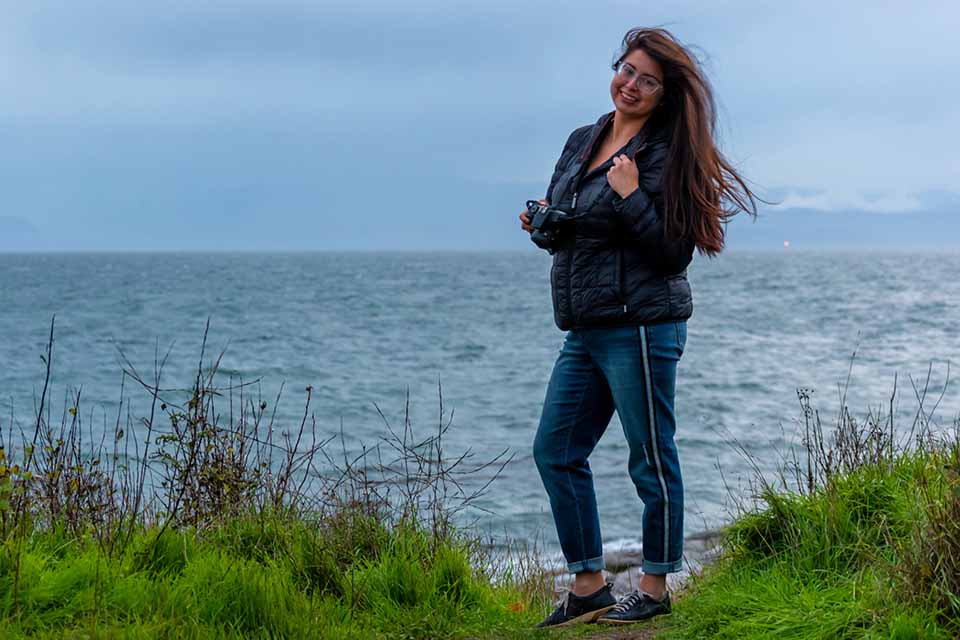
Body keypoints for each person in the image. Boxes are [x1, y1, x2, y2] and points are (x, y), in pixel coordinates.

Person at [520, 27, 758, 628]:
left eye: (646, 80)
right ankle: (589, 584)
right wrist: (543, 224)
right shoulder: (584, 139)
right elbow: (574, 228)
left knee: (649, 455)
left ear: (665, 93)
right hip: (586, 326)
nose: (629, 85)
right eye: (626, 70)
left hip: (644, 326)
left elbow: (675, 249)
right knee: (556, 450)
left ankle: (654, 586)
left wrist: (629, 196)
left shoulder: (669, 152)